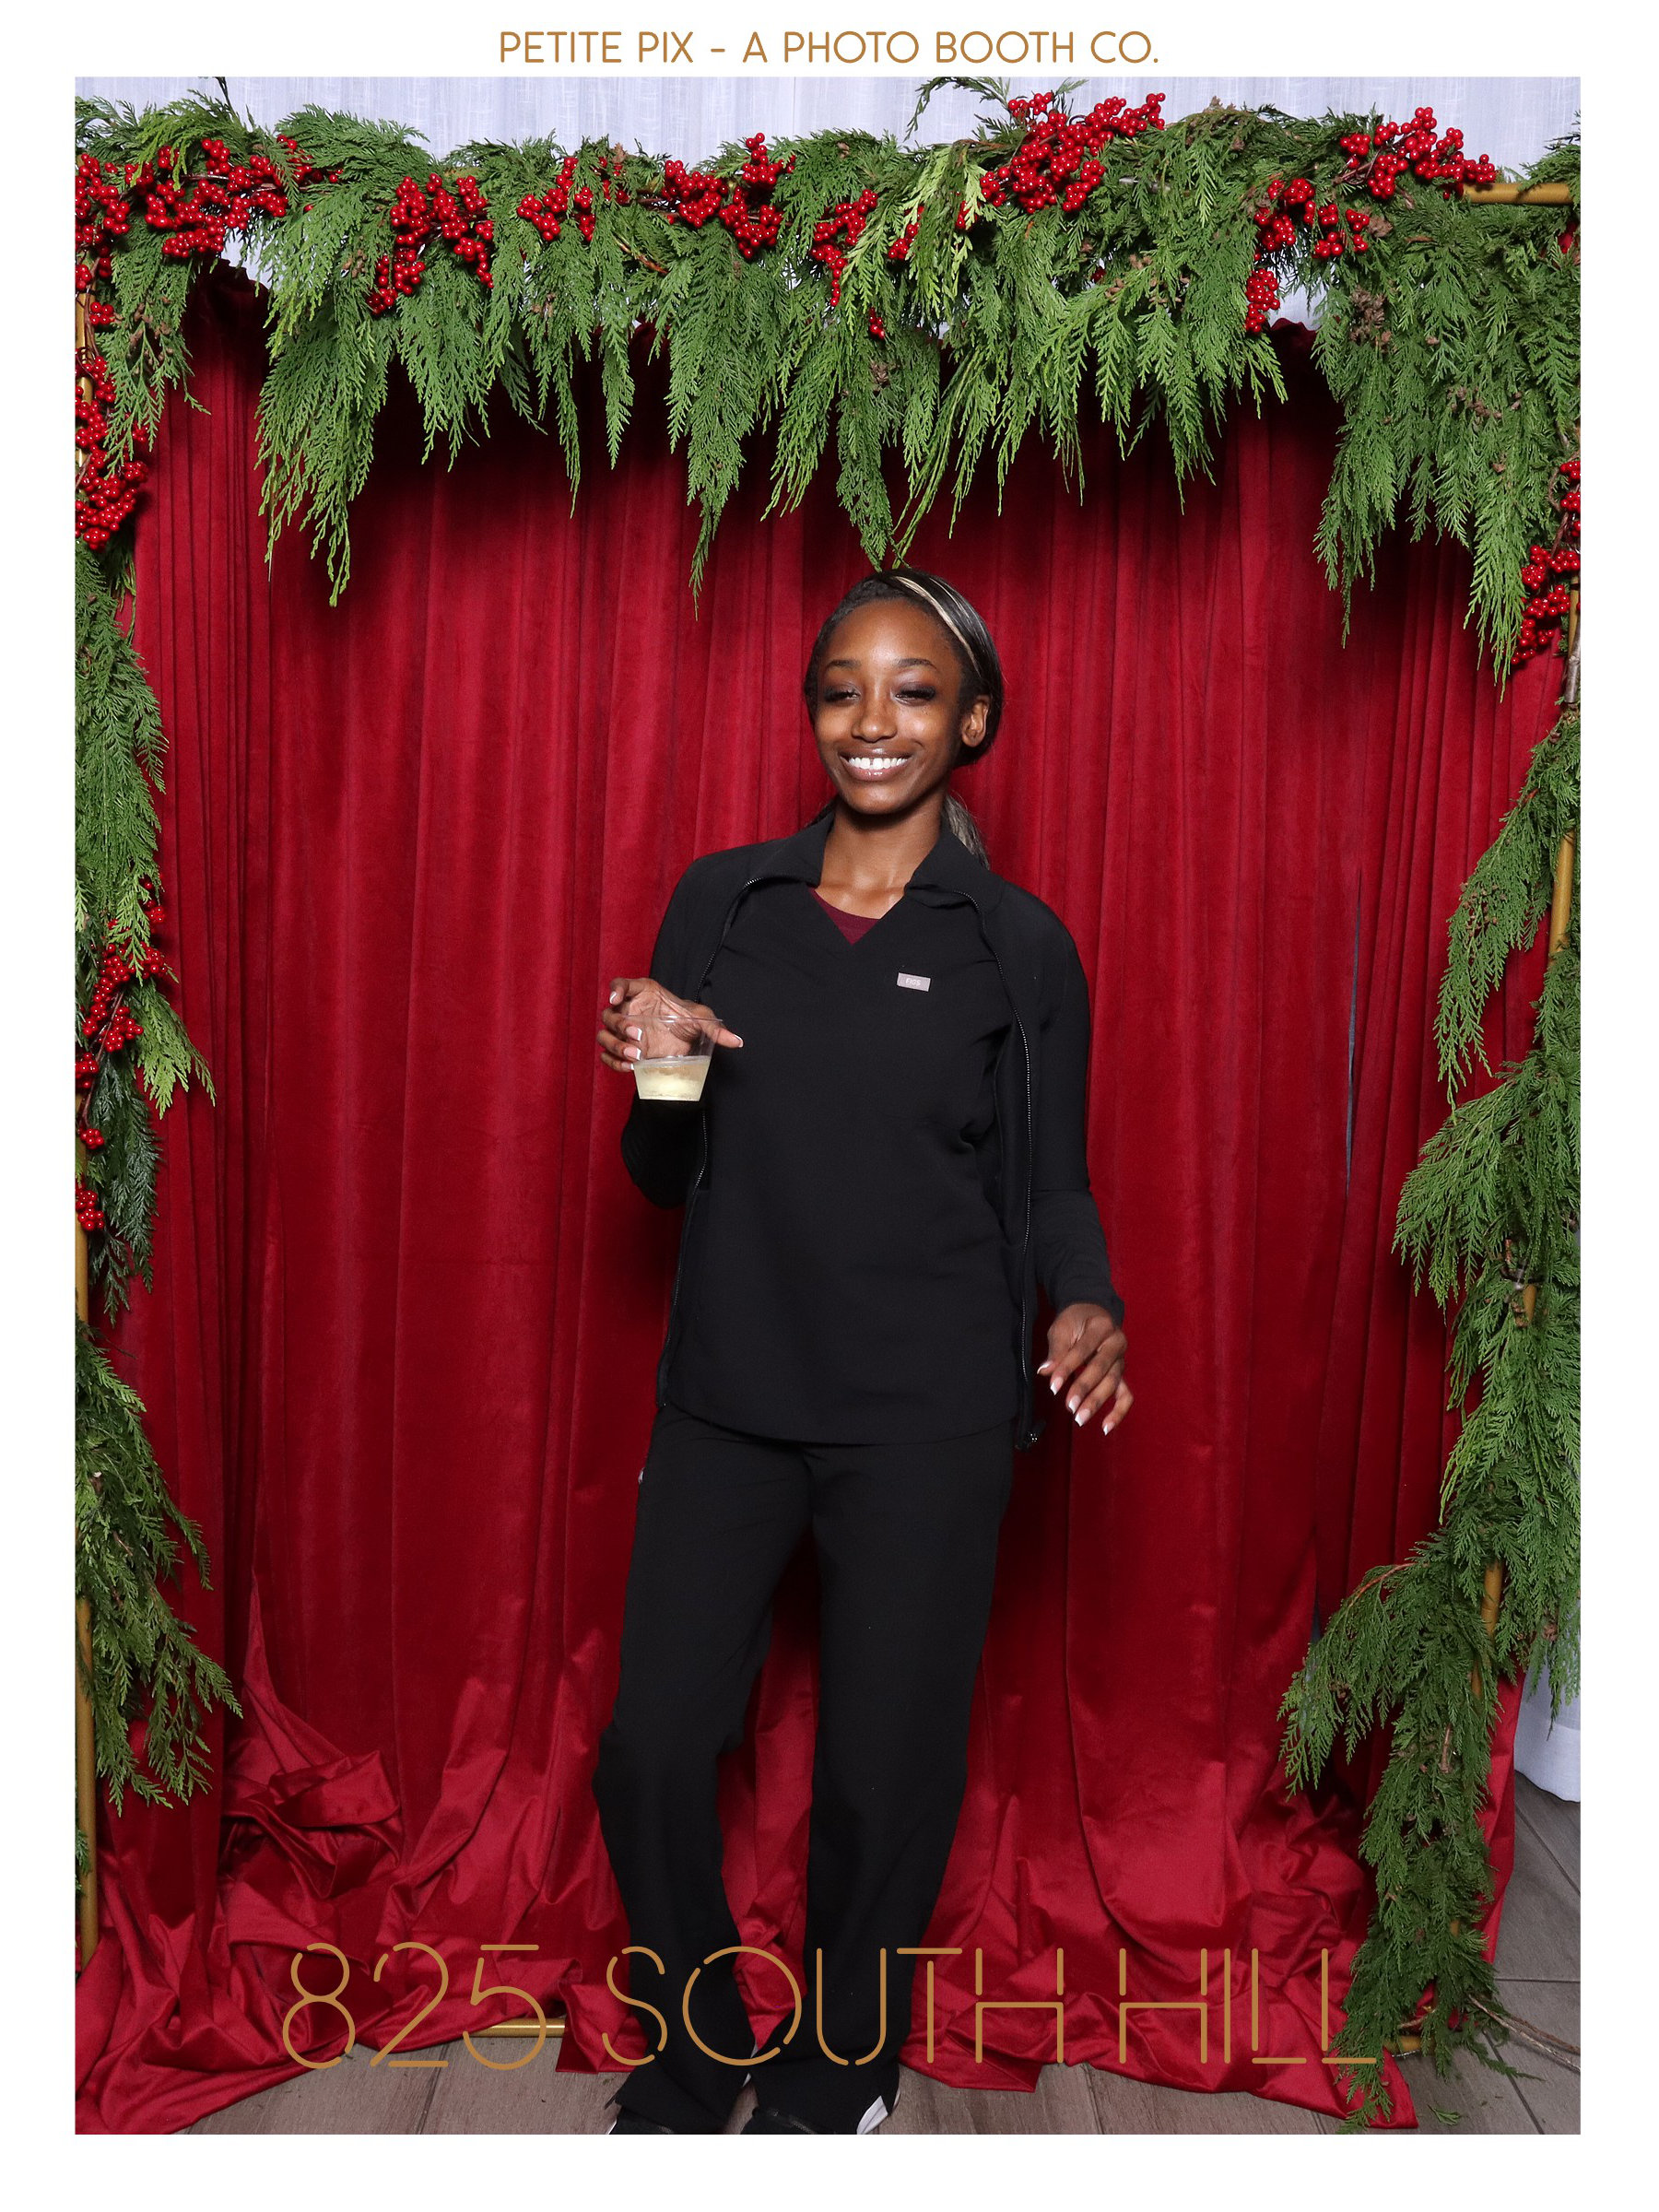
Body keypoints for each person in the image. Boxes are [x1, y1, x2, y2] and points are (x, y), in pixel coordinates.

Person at [590, 567, 1131, 2136]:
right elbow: (657, 1179)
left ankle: (838, 2071)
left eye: (913, 690)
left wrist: (1085, 1303)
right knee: (651, 1748)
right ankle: (698, 2046)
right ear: (812, 712)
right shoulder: (723, 903)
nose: (871, 720)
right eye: (842, 689)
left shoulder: (1018, 946)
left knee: (884, 1776)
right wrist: (658, 1069)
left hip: (929, 1415)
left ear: (973, 723)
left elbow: (1054, 1183)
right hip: (729, 1396)